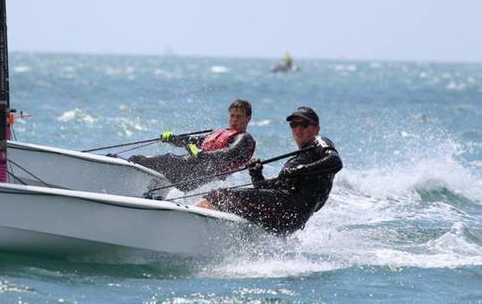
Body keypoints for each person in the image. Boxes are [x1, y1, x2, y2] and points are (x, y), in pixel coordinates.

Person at [195, 106, 343, 235]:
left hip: (291, 211)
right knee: (225, 201)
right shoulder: (300, 157)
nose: (298, 129)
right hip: (283, 214)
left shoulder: (319, 141)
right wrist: (256, 173)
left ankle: (192, 218)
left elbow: (336, 161)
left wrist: (299, 170)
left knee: (219, 196)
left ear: (316, 128)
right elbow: (264, 189)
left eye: (303, 124)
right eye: (294, 125)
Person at [130, 99, 256, 191]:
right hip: (186, 169)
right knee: (149, 160)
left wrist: (201, 154)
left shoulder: (245, 139)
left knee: (152, 160)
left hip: (197, 177)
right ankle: (150, 195)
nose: (234, 119)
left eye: (239, 116)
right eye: (232, 115)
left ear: (248, 119)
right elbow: (190, 140)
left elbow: (229, 153)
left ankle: (126, 167)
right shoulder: (220, 133)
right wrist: (172, 138)